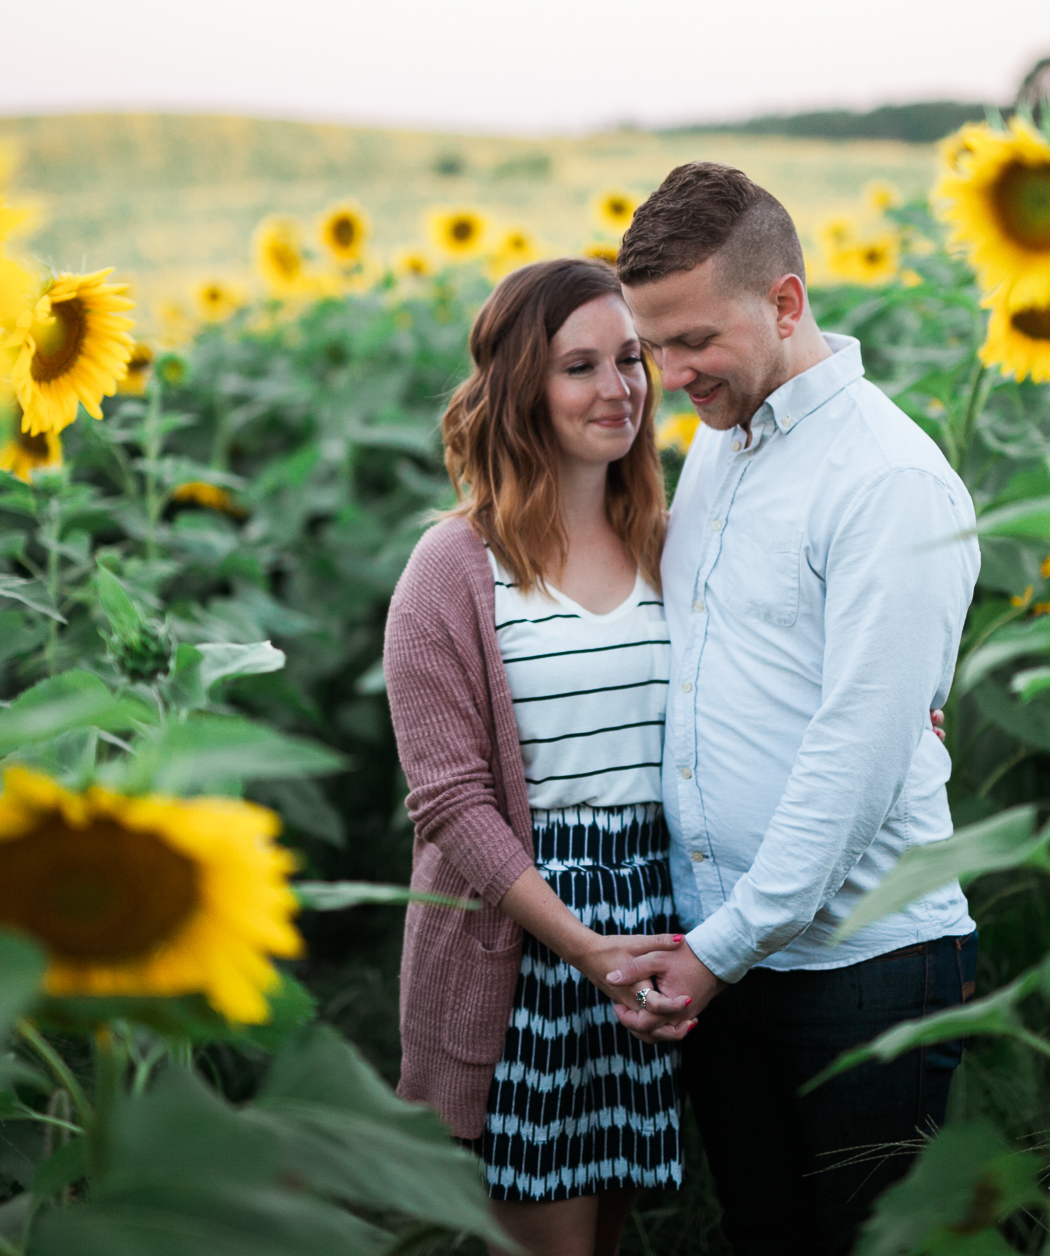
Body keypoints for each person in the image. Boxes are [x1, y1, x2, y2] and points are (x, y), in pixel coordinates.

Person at [603, 162, 982, 1256]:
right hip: (733, 951)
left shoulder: (884, 480)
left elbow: (854, 756)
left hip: (861, 966)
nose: (669, 375)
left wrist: (717, 948)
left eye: (692, 341)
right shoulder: (722, 442)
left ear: (784, 302)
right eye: (652, 344)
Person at [383, 257, 692, 1256]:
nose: (618, 389)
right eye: (579, 367)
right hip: (524, 945)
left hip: (657, 934)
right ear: (524, 386)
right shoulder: (452, 569)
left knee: (608, 1234)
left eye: (630, 359)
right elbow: (449, 800)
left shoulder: (668, 542)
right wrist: (580, 946)